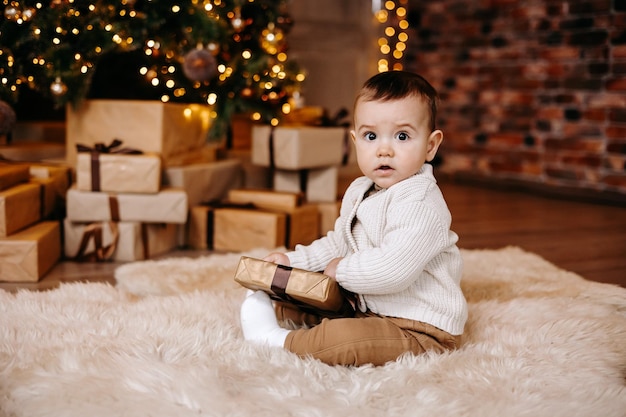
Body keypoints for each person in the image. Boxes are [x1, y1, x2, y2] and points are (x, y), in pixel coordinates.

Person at [239, 70, 468, 366]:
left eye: (402, 136)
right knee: (305, 298)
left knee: (344, 338)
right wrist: (291, 262)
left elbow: (393, 269)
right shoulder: (361, 189)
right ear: (355, 141)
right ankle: (281, 310)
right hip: (370, 307)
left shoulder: (420, 202)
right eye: (370, 136)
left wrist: (342, 271)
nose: (384, 149)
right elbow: (339, 243)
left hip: (418, 326)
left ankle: (276, 341)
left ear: (430, 146)